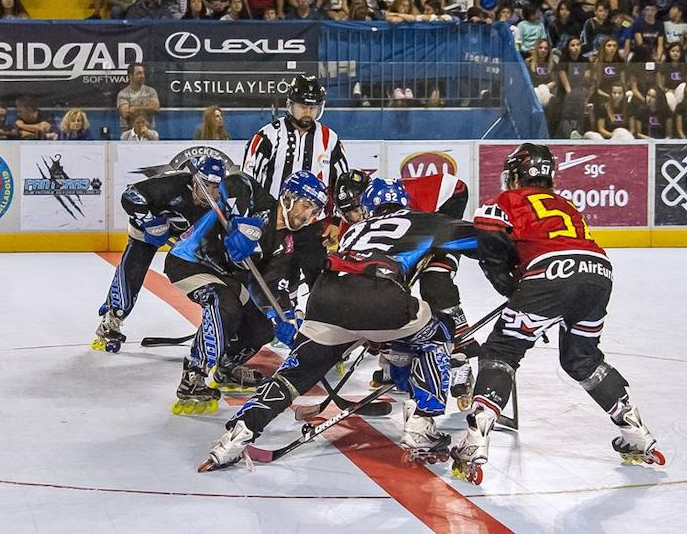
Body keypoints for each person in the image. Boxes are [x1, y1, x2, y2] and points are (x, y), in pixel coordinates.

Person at [199, 177, 496, 470]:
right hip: (380, 297)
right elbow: (485, 239)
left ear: (367, 209)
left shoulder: (354, 229)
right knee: (438, 332)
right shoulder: (422, 219)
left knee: (296, 372)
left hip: (325, 299)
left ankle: (237, 434)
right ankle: (422, 421)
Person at [446, 144, 665, 485]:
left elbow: (486, 227)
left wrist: (507, 281)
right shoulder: (567, 204)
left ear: (516, 173)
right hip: (599, 274)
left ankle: (475, 439)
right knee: (583, 359)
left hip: (550, 273)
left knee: (502, 351)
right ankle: (635, 430)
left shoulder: (512, 199)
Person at [173, 170, 328, 420]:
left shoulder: (284, 242)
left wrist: (283, 317)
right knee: (223, 304)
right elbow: (236, 180)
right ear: (288, 197)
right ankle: (194, 375)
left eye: (314, 211)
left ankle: (228, 366)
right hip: (191, 261)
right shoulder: (259, 201)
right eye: (306, 205)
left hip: (229, 277)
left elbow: (269, 285)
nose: (308, 215)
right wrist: (239, 221)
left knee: (262, 327)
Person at [91, 157, 229, 353]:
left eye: (217, 187)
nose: (212, 193)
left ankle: (215, 319)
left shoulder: (221, 200)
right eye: (207, 185)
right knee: (133, 270)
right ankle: (111, 319)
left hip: (184, 239)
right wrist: (150, 222)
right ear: (196, 181)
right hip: (149, 228)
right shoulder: (172, 185)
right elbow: (130, 196)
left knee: (211, 276)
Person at [242, 75, 349, 200]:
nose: (308, 113)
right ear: (290, 105)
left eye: (313, 108)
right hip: (273, 216)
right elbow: (247, 182)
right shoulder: (267, 136)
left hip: (317, 218)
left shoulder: (330, 139)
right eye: (303, 107)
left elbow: (343, 185)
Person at [116, 63, 160, 133]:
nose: (142, 76)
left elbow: (155, 108)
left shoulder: (151, 91)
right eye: (139, 73)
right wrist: (147, 109)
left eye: (143, 73)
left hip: (148, 131)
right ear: (130, 76)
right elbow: (125, 113)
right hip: (128, 132)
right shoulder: (123, 94)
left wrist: (133, 109)